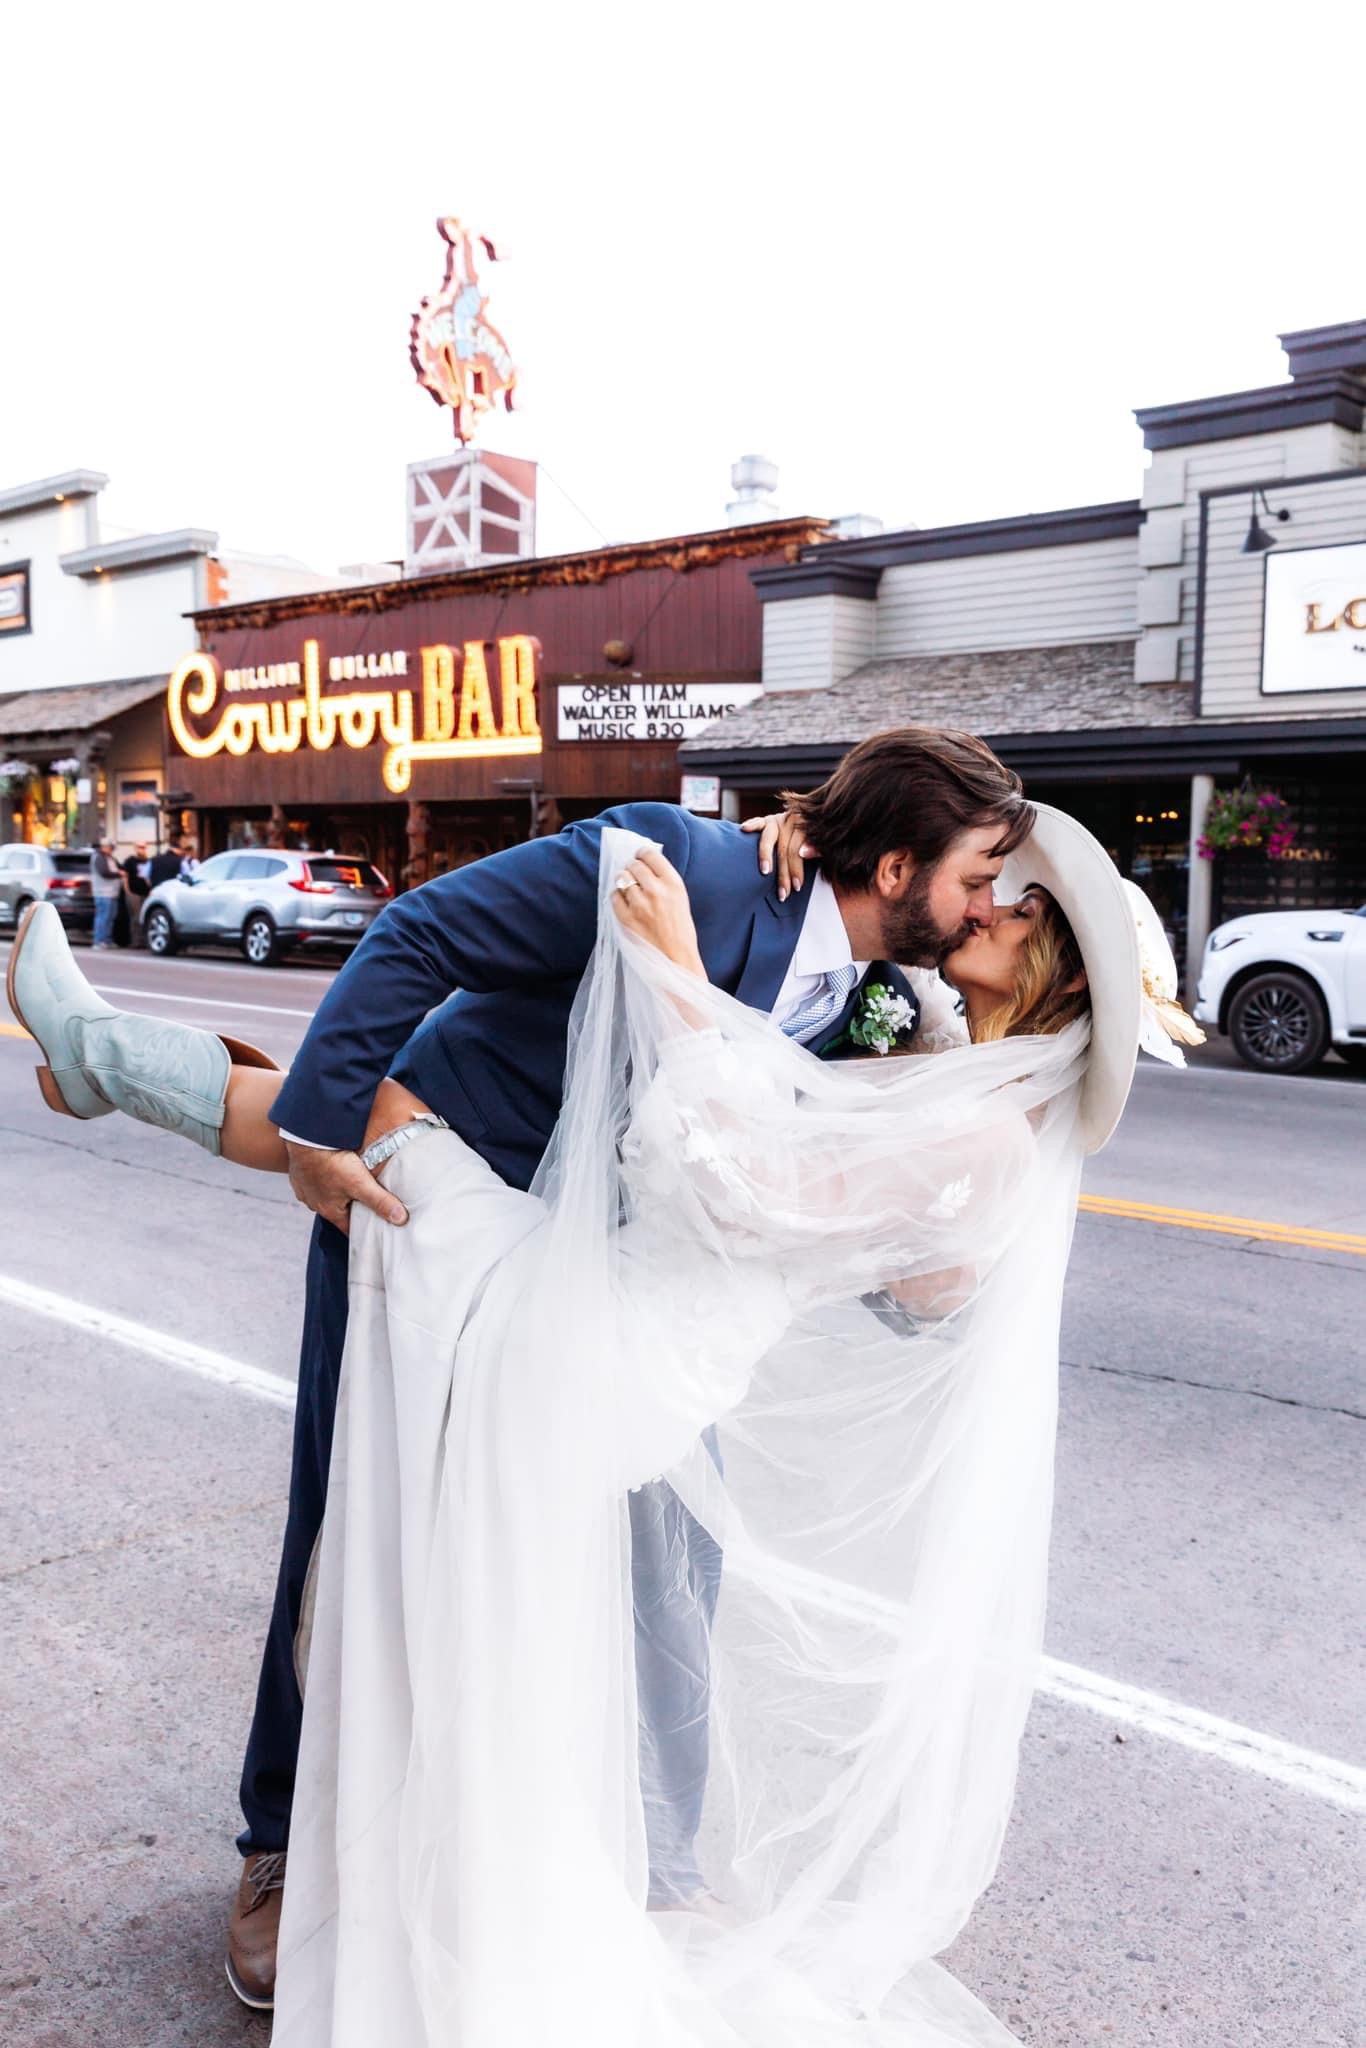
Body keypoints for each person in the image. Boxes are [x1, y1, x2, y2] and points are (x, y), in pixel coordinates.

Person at [9, 730, 1102, 2015]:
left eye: (1007, 900)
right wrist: (314, 1136)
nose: (991, 901)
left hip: (629, 1314)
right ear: (902, 858)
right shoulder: (682, 865)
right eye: (986, 875)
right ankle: (284, 1842)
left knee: (663, 1581)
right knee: (346, 1531)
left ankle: (646, 1866)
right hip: (452, 1219)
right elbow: (415, 934)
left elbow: (845, 1218)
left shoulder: (900, 1020)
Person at [88, 840, 123, 950]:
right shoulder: (99, 857)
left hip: (112, 893)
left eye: (112, 848)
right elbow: (104, 872)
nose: (111, 850)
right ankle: (98, 941)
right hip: (103, 893)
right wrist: (119, 874)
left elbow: (120, 867)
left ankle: (107, 940)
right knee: (103, 917)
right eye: (110, 848)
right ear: (104, 847)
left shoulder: (110, 858)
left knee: (110, 917)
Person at [121, 844, 150, 950]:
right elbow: (125, 877)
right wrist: (127, 891)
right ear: (136, 848)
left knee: (143, 917)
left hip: (145, 893)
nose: (141, 849)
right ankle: (135, 941)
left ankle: (144, 940)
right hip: (134, 892)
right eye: (139, 847)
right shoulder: (130, 861)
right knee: (135, 917)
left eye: (143, 847)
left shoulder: (147, 861)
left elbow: (148, 878)